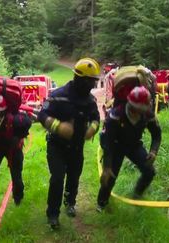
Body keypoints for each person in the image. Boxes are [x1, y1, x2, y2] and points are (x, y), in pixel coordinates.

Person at [37, 57, 101, 229]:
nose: (92, 85)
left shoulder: (90, 101)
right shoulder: (58, 96)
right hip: (57, 146)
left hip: (77, 147)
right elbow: (41, 116)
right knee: (57, 178)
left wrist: (92, 129)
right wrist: (58, 126)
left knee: (74, 177)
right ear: (79, 78)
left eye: (94, 82)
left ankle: (70, 202)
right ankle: (52, 214)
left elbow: (96, 118)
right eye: (90, 81)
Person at [97, 86, 161, 211]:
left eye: (142, 109)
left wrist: (153, 151)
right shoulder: (115, 115)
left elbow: (157, 134)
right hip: (115, 146)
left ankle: (137, 196)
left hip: (134, 145)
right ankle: (102, 203)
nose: (138, 112)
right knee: (109, 176)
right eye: (136, 108)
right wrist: (107, 166)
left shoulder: (148, 114)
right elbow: (108, 142)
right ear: (130, 104)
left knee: (149, 171)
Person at [0, 93, 32, 220]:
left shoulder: (18, 121)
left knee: (16, 176)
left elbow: (28, 124)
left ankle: (18, 197)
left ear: (3, 111)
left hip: (13, 149)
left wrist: (18, 137)